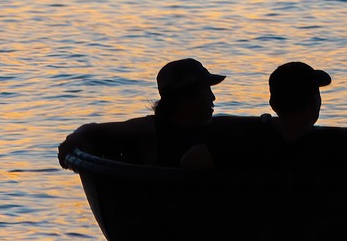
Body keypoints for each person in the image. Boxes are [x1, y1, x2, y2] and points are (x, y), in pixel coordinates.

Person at [223, 61, 347, 178]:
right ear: (315, 104)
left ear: (273, 104)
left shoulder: (248, 142)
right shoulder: (333, 147)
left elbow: (196, 157)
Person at [58, 58, 226, 169]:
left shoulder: (215, 129)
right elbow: (90, 130)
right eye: (206, 90)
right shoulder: (151, 129)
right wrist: (73, 141)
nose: (212, 97)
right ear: (185, 97)